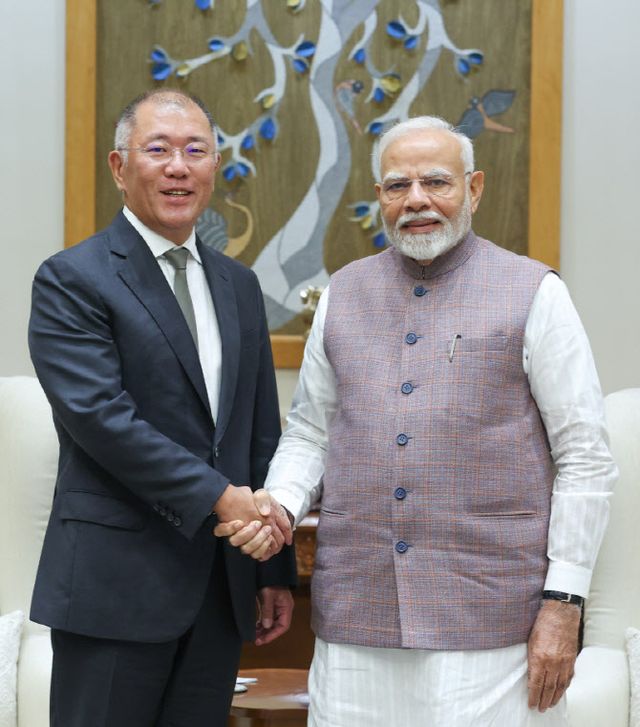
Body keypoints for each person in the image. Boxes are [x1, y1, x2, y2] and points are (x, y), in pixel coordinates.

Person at [215, 116, 618, 726]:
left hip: (490, 619)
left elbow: (584, 456)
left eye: (436, 182)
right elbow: (311, 432)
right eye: (398, 186)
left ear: (474, 188)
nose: (416, 200)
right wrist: (281, 509)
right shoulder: (344, 293)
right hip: (358, 617)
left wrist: (564, 603)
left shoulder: (534, 291)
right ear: (379, 197)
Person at [28, 89, 296, 727]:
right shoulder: (73, 278)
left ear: (215, 168)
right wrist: (222, 499)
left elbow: (260, 430)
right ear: (120, 168)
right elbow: (102, 419)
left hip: (219, 589)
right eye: (158, 149)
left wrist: (271, 568)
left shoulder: (240, 285)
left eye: (195, 150)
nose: (179, 166)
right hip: (113, 587)